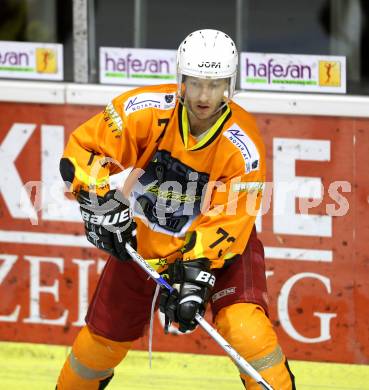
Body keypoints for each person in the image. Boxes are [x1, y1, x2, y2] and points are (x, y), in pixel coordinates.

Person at [56, 29, 295, 389]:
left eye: (215, 85)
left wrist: (197, 272)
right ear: (180, 77)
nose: (204, 96)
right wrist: (99, 198)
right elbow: (84, 152)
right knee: (97, 348)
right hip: (144, 240)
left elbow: (234, 215)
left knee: (246, 331)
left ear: (231, 83)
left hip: (220, 251)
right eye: (196, 83)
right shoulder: (144, 110)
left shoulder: (243, 144)